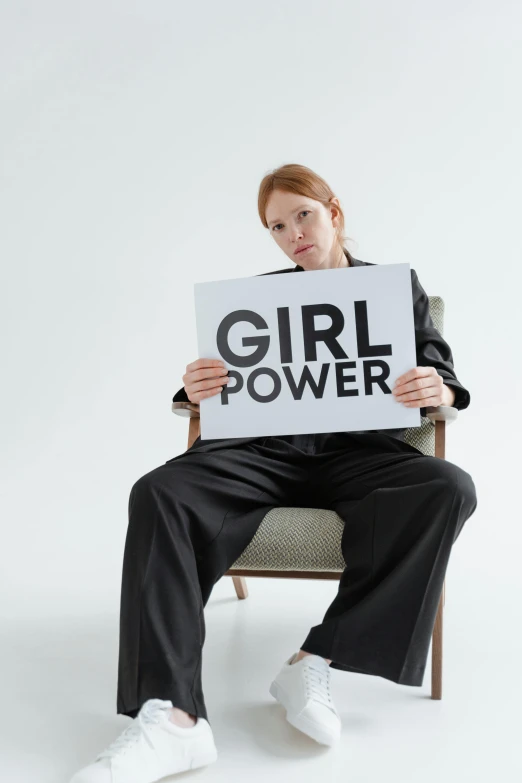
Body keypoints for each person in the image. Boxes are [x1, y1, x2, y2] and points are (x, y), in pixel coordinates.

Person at [70, 164, 477, 782]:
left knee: (448, 488)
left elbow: (442, 381)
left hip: (358, 453)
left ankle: (315, 659)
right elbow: (211, 390)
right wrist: (194, 386)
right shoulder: (257, 298)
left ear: (334, 212)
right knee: (159, 492)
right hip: (262, 451)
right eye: (277, 227)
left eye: (303, 216)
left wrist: (436, 389)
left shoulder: (396, 289)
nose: (293, 235)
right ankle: (174, 717)